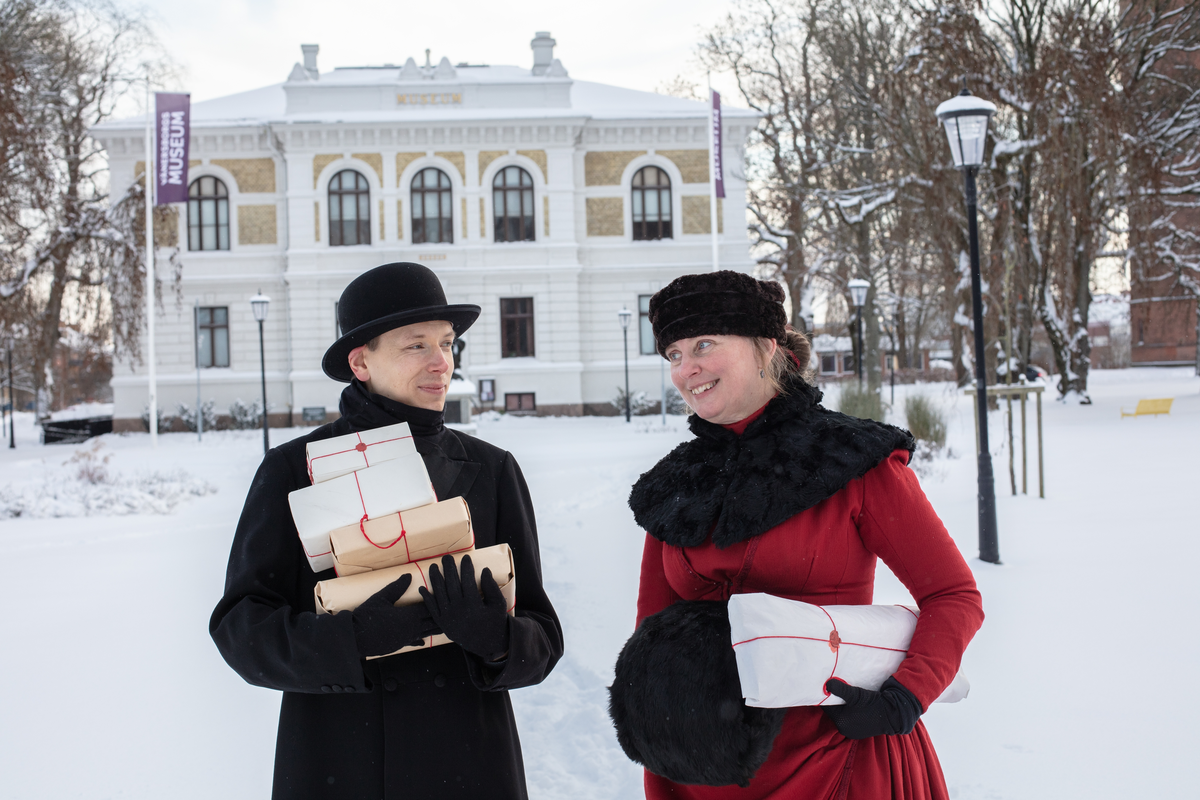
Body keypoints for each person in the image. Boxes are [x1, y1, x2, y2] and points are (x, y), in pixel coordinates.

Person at [210, 262, 563, 800]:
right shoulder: (292, 470)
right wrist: (348, 641)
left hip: (468, 764)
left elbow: (544, 637)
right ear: (360, 362)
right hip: (340, 762)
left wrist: (497, 639)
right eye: (416, 345)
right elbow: (241, 629)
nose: (441, 362)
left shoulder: (492, 470)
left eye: (446, 344)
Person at [626, 270, 984, 800]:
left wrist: (905, 697)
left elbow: (953, 594)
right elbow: (651, 632)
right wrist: (657, 740)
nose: (686, 369)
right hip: (702, 769)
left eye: (704, 345)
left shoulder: (853, 461)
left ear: (766, 347)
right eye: (674, 354)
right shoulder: (676, 484)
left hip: (837, 755)